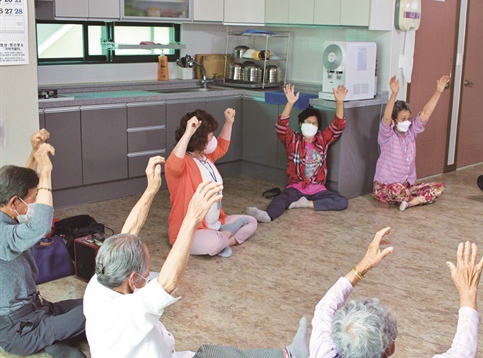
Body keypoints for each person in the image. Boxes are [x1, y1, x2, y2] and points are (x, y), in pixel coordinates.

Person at [84, 157, 309, 358]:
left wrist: (151, 189)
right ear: (132, 280)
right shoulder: (125, 315)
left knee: (222, 357)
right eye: (146, 269)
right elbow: (168, 282)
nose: (150, 272)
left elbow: (127, 234)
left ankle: (290, 354)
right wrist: (191, 218)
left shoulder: (100, 283)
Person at [302, 227, 483, 358]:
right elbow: (462, 357)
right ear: (389, 348)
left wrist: (362, 266)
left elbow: (324, 308)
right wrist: (468, 291)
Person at [0, 130, 87, 358]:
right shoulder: (2, 234)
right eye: (34, 197)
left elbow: (12, 188)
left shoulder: (5, 208)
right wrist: (46, 171)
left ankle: (51, 339)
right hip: (16, 329)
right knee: (99, 311)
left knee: (96, 302)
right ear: (14, 203)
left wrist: (33, 153)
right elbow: (41, 224)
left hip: (37, 309)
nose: (36, 202)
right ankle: (46, 337)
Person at [246, 84, 349, 223]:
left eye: (314, 123)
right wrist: (290, 103)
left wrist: (339, 102)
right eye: (308, 122)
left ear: (318, 127)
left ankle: (306, 204)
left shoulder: (322, 139)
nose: (311, 125)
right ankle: (267, 215)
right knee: (281, 199)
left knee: (341, 201)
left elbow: (338, 125)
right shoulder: (293, 139)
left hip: (318, 190)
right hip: (295, 188)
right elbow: (281, 127)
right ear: (301, 124)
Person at [165, 108, 257, 258]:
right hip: (191, 231)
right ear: (199, 139)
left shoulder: (205, 156)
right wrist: (188, 133)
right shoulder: (182, 163)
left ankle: (222, 237)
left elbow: (221, 146)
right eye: (210, 135)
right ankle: (225, 237)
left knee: (251, 222)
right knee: (214, 243)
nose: (213, 138)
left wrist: (228, 123)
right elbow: (173, 165)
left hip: (216, 223)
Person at [372, 75, 449, 211]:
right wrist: (394, 94)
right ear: (395, 121)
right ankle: (413, 200)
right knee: (399, 191)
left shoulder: (410, 133)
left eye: (408, 118)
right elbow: (386, 117)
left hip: (407, 186)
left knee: (439, 187)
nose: (407, 122)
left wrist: (438, 92)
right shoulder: (387, 135)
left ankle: (409, 202)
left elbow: (425, 113)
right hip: (386, 186)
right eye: (403, 119)